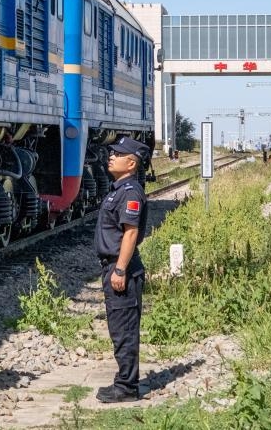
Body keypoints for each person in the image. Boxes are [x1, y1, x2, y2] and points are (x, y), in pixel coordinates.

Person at [94, 135, 150, 403]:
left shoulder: (130, 192)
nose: (111, 156)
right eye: (112, 153)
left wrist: (120, 270)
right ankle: (124, 381)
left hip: (122, 269)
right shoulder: (119, 189)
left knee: (124, 329)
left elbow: (130, 233)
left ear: (131, 163)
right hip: (115, 267)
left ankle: (127, 387)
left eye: (118, 154)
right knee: (119, 328)